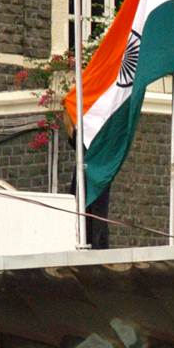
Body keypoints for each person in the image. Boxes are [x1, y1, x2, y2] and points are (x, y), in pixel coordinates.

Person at [62, 106, 111, 249]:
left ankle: (97, 246)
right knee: (82, 210)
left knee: (96, 214)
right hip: (85, 174)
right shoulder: (84, 134)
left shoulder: (97, 134)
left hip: (96, 175)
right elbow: (72, 132)